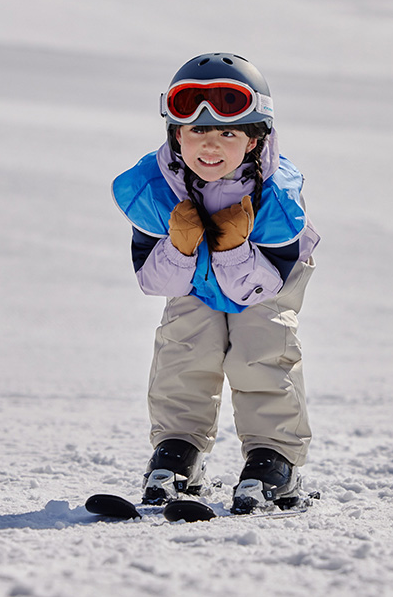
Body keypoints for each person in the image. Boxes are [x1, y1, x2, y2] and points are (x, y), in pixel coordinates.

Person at [111, 53, 319, 514]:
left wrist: (232, 248)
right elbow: (153, 280)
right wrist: (180, 247)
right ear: (176, 134)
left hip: (265, 286)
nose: (210, 145)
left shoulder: (276, 197)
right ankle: (178, 449)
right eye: (197, 130)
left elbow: (262, 287)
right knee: (185, 345)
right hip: (194, 281)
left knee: (261, 347)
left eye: (228, 133)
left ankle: (273, 458)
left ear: (254, 139)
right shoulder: (155, 189)